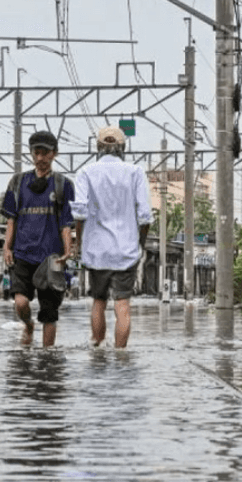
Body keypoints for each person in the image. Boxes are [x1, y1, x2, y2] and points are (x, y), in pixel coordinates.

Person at [72, 126, 153, 348]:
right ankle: (120, 353)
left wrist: (79, 244)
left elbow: (79, 213)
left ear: (98, 148)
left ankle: (97, 346)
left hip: (96, 251)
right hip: (126, 251)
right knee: (122, 305)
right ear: (123, 148)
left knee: (98, 302)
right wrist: (140, 245)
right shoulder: (135, 173)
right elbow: (145, 217)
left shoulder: (85, 173)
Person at [0, 129, 75, 346]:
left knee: (50, 311)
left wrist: (67, 251)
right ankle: (29, 325)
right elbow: (11, 220)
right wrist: (7, 247)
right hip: (23, 253)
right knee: (21, 303)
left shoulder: (64, 185)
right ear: (31, 154)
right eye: (36, 153)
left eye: (45, 153)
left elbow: (66, 223)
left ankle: (47, 358)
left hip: (52, 257)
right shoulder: (17, 183)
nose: (40, 158)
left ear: (54, 154)